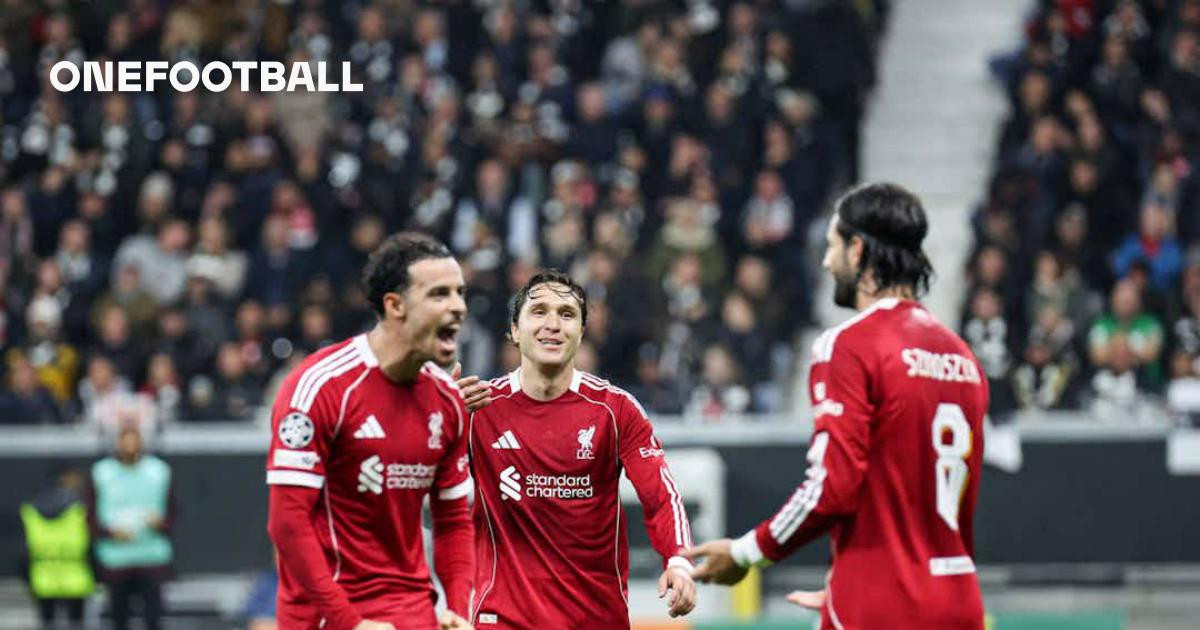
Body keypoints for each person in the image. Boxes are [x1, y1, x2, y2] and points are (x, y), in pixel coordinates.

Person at [687, 183, 989, 629]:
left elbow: (832, 488)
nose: (827, 262)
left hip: (880, 603)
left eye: (832, 246)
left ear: (857, 249)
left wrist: (745, 552)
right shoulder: (962, 357)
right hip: (959, 600)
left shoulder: (849, 345)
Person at [457, 269, 697, 628]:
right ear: (514, 331)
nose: (553, 324)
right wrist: (437, 417)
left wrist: (678, 560)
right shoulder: (477, 408)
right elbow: (409, 478)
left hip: (595, 619)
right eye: (539, 311)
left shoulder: (615, 410)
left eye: (567, 314)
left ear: (581, 332)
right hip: (503, 618)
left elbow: (661, 496)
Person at [264, 232, 476, 630]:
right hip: (327, 617)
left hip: (413, 613)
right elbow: (287, 524)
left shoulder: (448, 401)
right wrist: (350, 622)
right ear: (395, 305)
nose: (458, 307)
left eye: (460, 293)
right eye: (439, 294)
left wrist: (459, 609)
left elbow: (453, 521)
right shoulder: (320, 387)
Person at [86, 426, 176, 630]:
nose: (130, 447)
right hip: (115, 559)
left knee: (153, 616)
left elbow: (173, 512)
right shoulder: (102, 473)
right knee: (119, 616)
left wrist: (160, 524)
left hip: (151, 556)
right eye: (125, 442)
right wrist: (110, 533)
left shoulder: (159, 471)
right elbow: (90, 516)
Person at [18, 465, 95, 630]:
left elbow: (23, 551)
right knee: (76, 623)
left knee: (47, 622)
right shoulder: (80, 508)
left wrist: (27, 577)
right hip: (76, 578)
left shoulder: (31, 508)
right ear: (65, 478)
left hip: (42, 578)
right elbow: (91, 544)